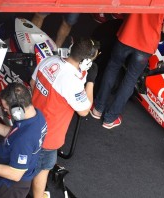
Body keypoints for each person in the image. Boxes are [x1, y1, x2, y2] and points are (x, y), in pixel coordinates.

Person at [30, 37, 99, 198]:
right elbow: (84, 110)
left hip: (31, 120)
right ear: (85, 62)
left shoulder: (50, 60)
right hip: (48, 135)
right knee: (43, 168)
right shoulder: (73, 82)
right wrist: (90, 82)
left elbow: (33, 84)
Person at [90, 13, 164, 129]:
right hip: (146, 44)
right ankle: (110, 118)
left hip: (127, 34)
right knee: (130, 79)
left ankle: (97, 108)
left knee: (112, 68)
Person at [0, 83, 47, 198]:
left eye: (6, 109)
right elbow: (12, 132)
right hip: (6, 173)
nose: (6, 112)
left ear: (17, 109)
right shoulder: (35, 115)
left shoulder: (25, 139)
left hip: (8, 188)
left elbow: (15, 174)